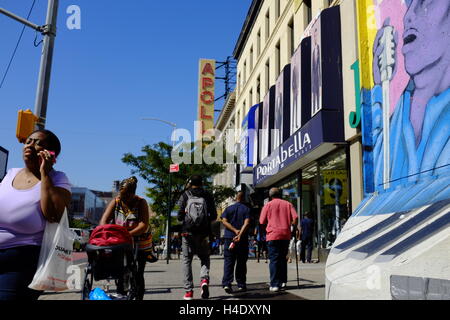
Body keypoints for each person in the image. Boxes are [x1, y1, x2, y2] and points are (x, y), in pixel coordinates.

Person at [370, 0, 450, 190]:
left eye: (425, 1)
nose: (408, 16)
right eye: (409, 4)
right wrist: (380, 90)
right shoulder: (394, 122)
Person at [0, 130, 71, 300]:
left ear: (51, 154)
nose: (30, 145)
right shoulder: (11, 173)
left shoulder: (58, 178)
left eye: (38, 143)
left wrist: (45, 173)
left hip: (22, 262)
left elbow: (53, 214)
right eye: (28, 141)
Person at [99, 176, 150, 300]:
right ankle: (120, 293)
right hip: (121, 241)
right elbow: (104, 221)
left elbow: (143, 224)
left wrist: (129, 234)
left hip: (140, 241)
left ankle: (138, 296)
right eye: (121, 194)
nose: (123, 198)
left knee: (138, 272)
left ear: (133, 194)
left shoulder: (141, 202)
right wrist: (106, 232)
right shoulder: (116, 201)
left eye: (127, 195)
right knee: (120, 269)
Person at [177, 175, 217, 300]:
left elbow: (179, 216)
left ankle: (189, 292)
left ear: (190, 183)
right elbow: (214, 215)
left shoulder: (185, 195)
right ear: (202, 183)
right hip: (203, 233)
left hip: (187, 233)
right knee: (204, 258)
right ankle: (204, 280)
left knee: (186, 260)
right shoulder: (208, 195)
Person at [259, 188, 298, 292]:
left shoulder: (267, 205)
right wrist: (293, 227)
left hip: (272, 235)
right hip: (285, 234)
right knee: (282, 259)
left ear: (270, 195)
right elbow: (295, 217)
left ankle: (275, 284)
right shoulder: (288, 204)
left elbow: (262, 221)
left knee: (274, 260)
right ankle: (283, 281)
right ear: (280, 195)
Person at [221, 192, 251, 293]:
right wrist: (240, 234)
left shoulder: (228, 209)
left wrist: (234, 230)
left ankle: (227, 283)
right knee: (241, 262)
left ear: (235, 198)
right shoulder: (246, 209)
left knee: (229, 261)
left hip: (229, 238)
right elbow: (246, 223)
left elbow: (224, 221)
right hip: (242, 239)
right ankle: (241, 284)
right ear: (244, 198)